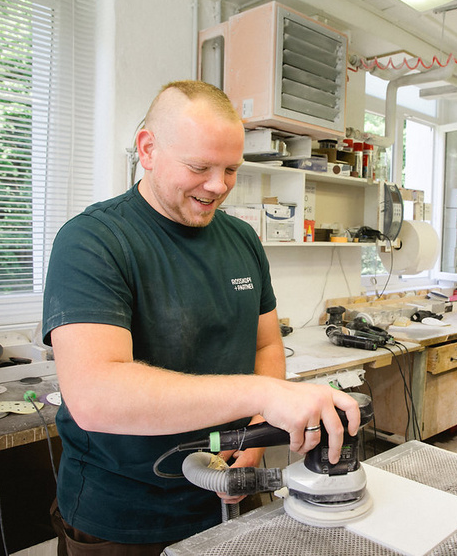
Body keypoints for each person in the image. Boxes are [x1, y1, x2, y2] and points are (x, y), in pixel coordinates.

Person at [41, 80, 361, 555]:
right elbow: (94, 395)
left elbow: (265, 346)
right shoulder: (94, 241)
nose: (218, 186)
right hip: (123, 519)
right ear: (148, 150)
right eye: (199, 167)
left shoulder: (242, 240)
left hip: (228, 497)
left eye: (231, 168)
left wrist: (253, 436)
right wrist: (266, 394)